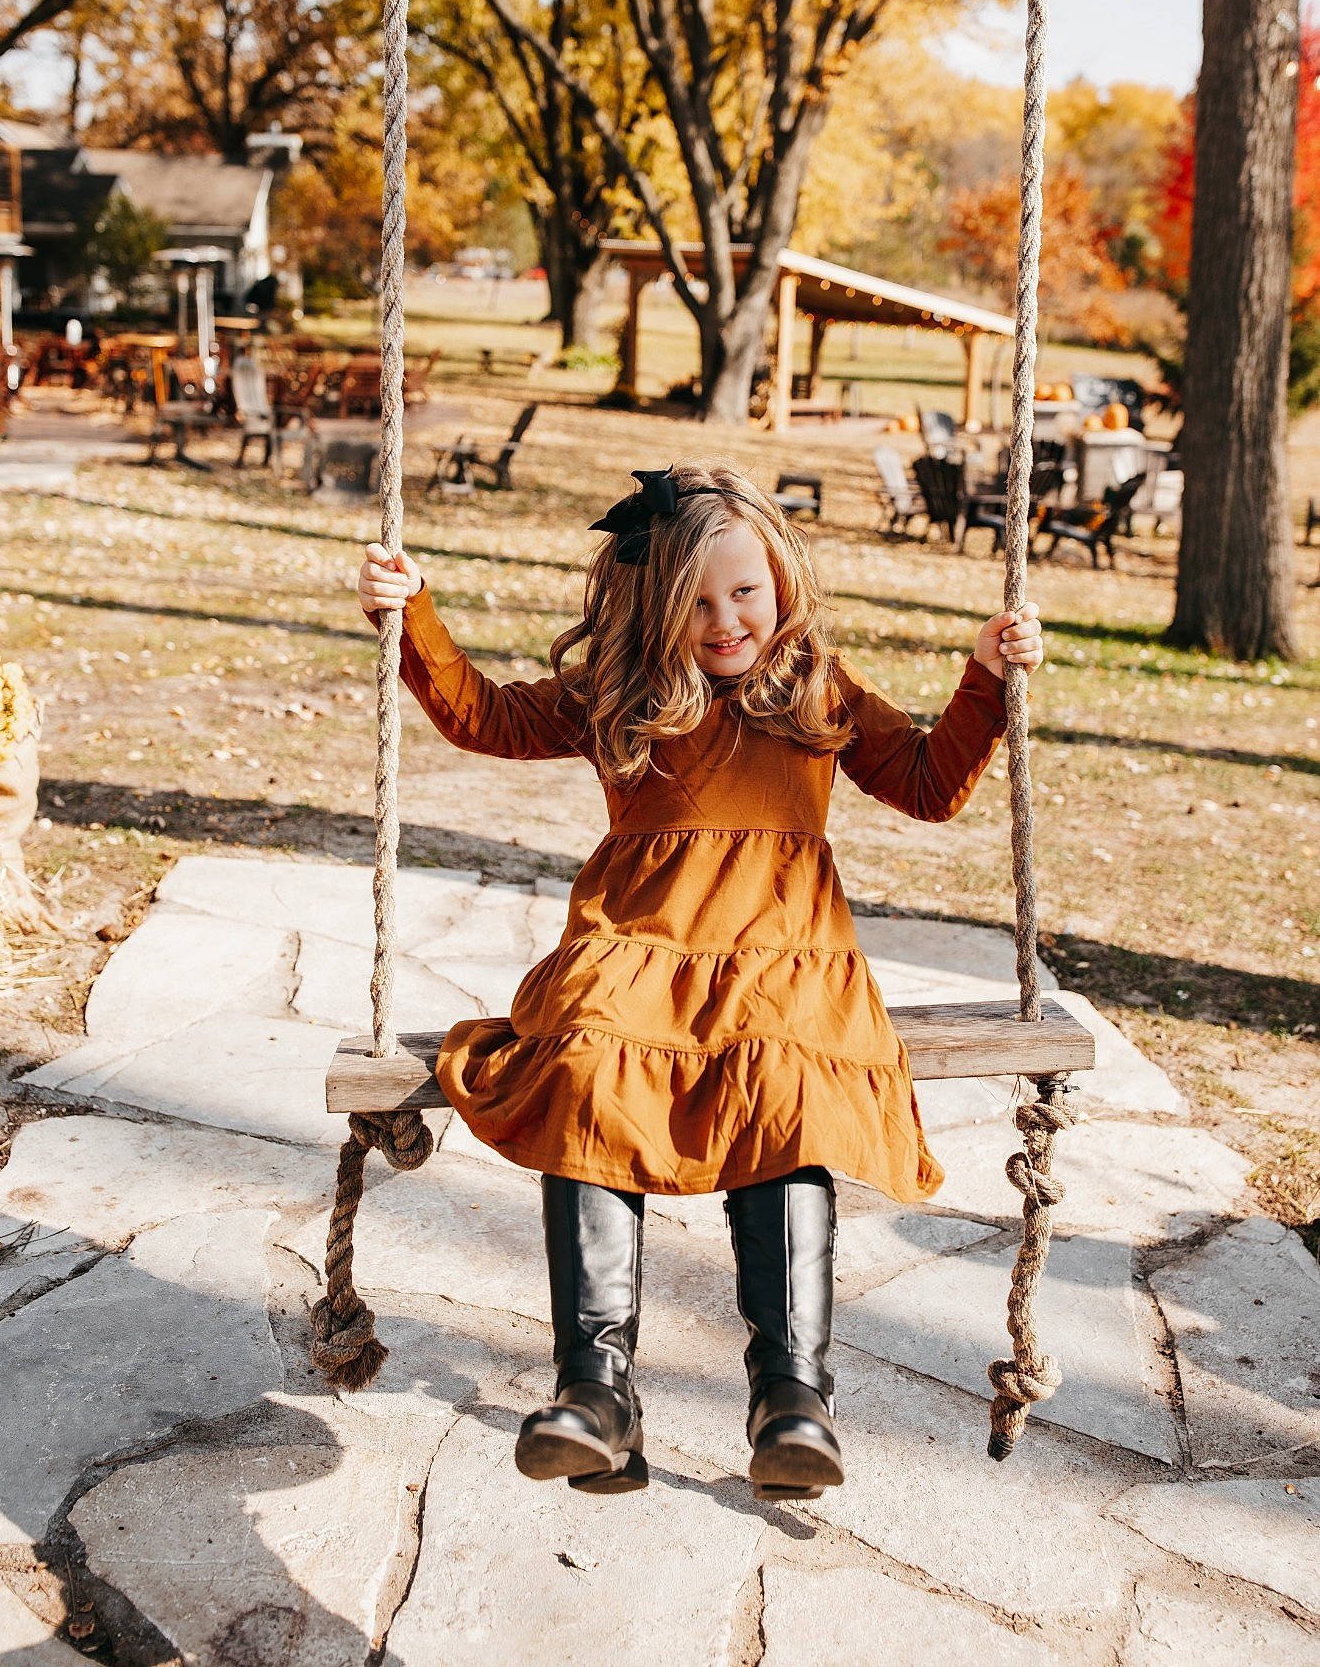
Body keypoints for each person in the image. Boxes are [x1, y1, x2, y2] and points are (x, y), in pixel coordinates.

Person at [356, 465, 1043, 1501]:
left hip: (783, 950)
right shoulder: (622, 690)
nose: (726, 622)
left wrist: (987, 677)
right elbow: (484, 716)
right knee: (587, 1071)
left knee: (788, 1088)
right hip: (639, 941)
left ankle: (793, 1398)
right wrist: (412, 619)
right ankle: (596, 1392)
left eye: (746, 594)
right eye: (699, 603)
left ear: (782, 583)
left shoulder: (817, 682)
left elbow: (926, 781)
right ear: (658, 605)